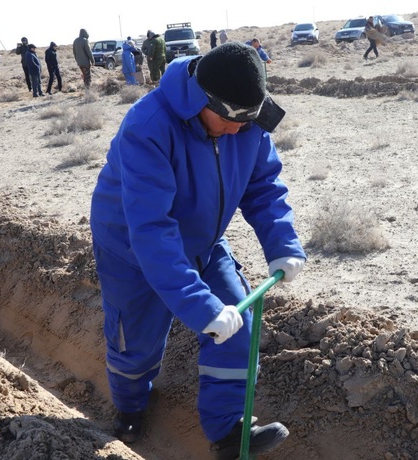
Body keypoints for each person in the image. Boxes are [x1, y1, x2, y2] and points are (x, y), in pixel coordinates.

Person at [90, 42, 306, 459]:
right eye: (226, 120)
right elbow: (151, 230)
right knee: (135, 346)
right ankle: (130, 407)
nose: (236, 131)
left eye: (245, 123)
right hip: (132, 248)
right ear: (201, 100)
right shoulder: (148, 126)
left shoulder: (246, 117)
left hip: (205, 242)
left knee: (237, 322)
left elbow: (263, 186)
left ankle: (227, 432)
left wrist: (282, 243)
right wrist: (198, 305)